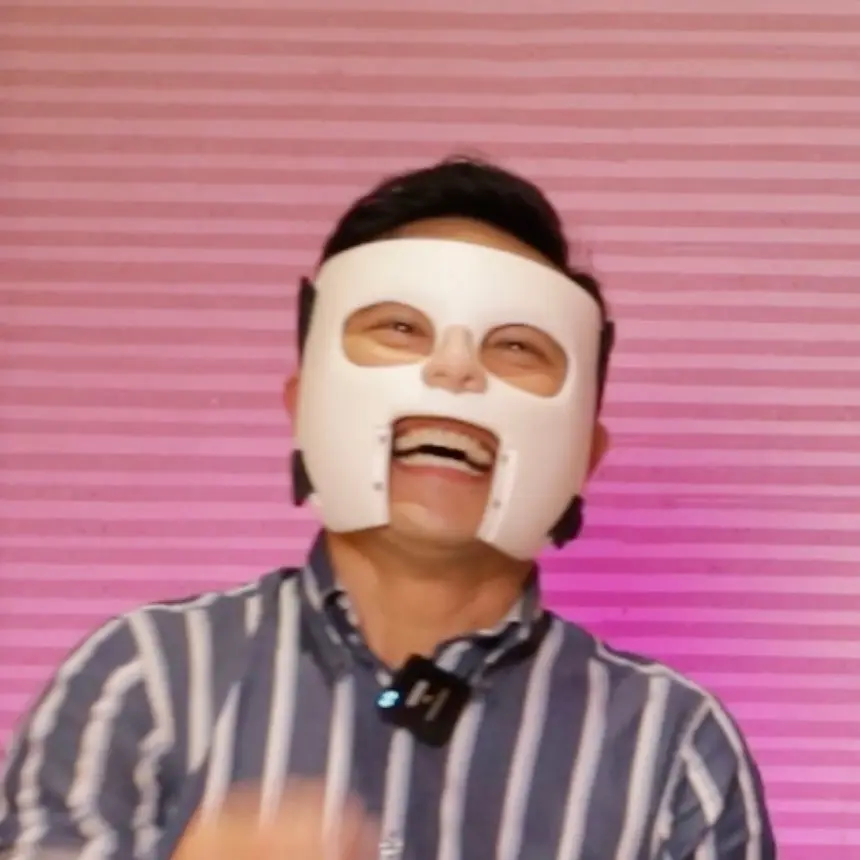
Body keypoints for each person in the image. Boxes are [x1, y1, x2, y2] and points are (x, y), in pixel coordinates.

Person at [0, 156, 776, 860]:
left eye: (516, 347)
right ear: (303, 403)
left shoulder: (673, 748)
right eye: (401, 328)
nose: (454, 372)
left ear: (586, 454)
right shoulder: (142, 681)